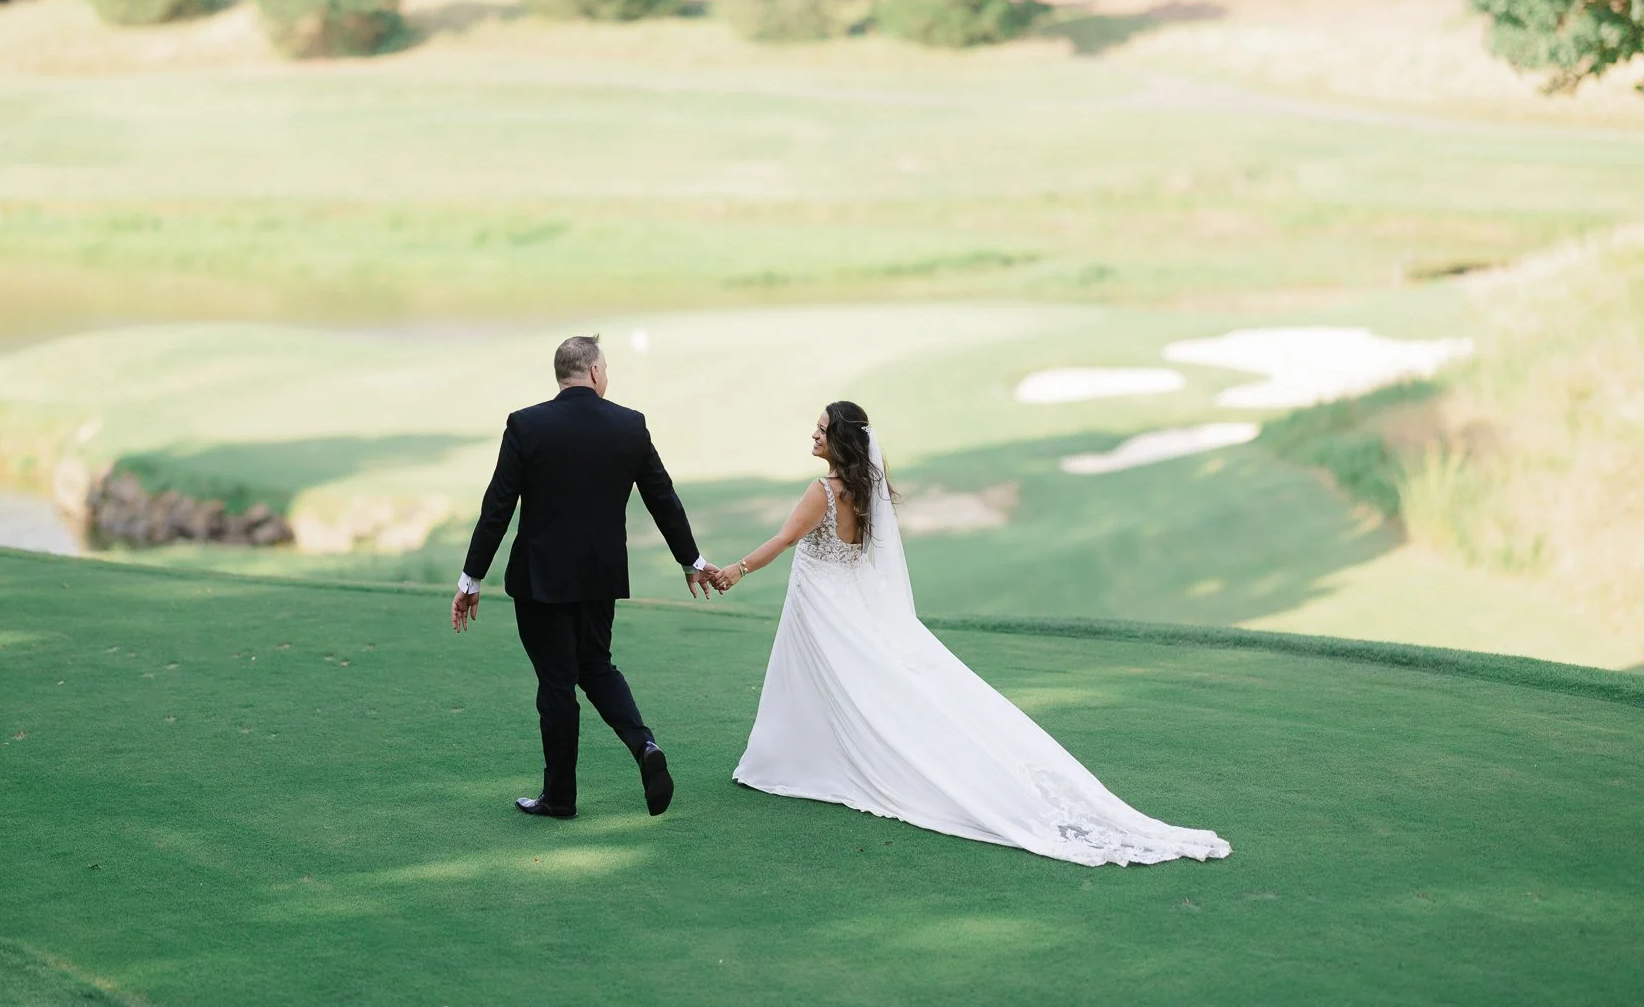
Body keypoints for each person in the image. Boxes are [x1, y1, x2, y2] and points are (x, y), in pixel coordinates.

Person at [706, 401, 1231, 866]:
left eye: (821, 429)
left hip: (823, 605)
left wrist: (736, 570)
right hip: (843, 600)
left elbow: (784, 538)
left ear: (839, 439)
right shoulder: (868, 491)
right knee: (846, 687)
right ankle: (807, 761)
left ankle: (804, 763)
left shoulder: (823, 490)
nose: (813, 435)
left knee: (834, 687)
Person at [451, 335, 720, 820]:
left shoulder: (526, 424)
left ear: (562, 374)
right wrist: (692, 561)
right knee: (595, 665)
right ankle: (645, 747)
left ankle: (560, 797)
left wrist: (472, 579)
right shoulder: (629, 425)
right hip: (600, 576)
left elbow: (497, 508)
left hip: (540, 580)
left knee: (557, 682)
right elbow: (663, 497)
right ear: (594, 372)